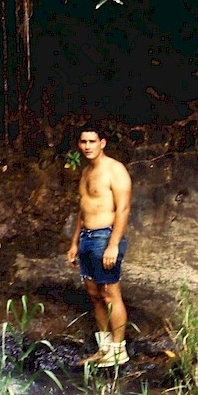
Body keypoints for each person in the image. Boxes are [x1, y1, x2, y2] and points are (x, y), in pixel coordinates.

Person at [66, 122, 132, 367]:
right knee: (94, 294)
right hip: (86, 239)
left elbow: (123, 208)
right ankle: (104, 350)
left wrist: (113, 244)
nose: (87, 146)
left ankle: (118, 351)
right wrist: (74, 243)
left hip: (105, 237)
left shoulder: (115, 170)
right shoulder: (85, 172)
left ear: (102, 143)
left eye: (92, 141)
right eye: (83, 142)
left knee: (110, 293)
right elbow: (82, 211)